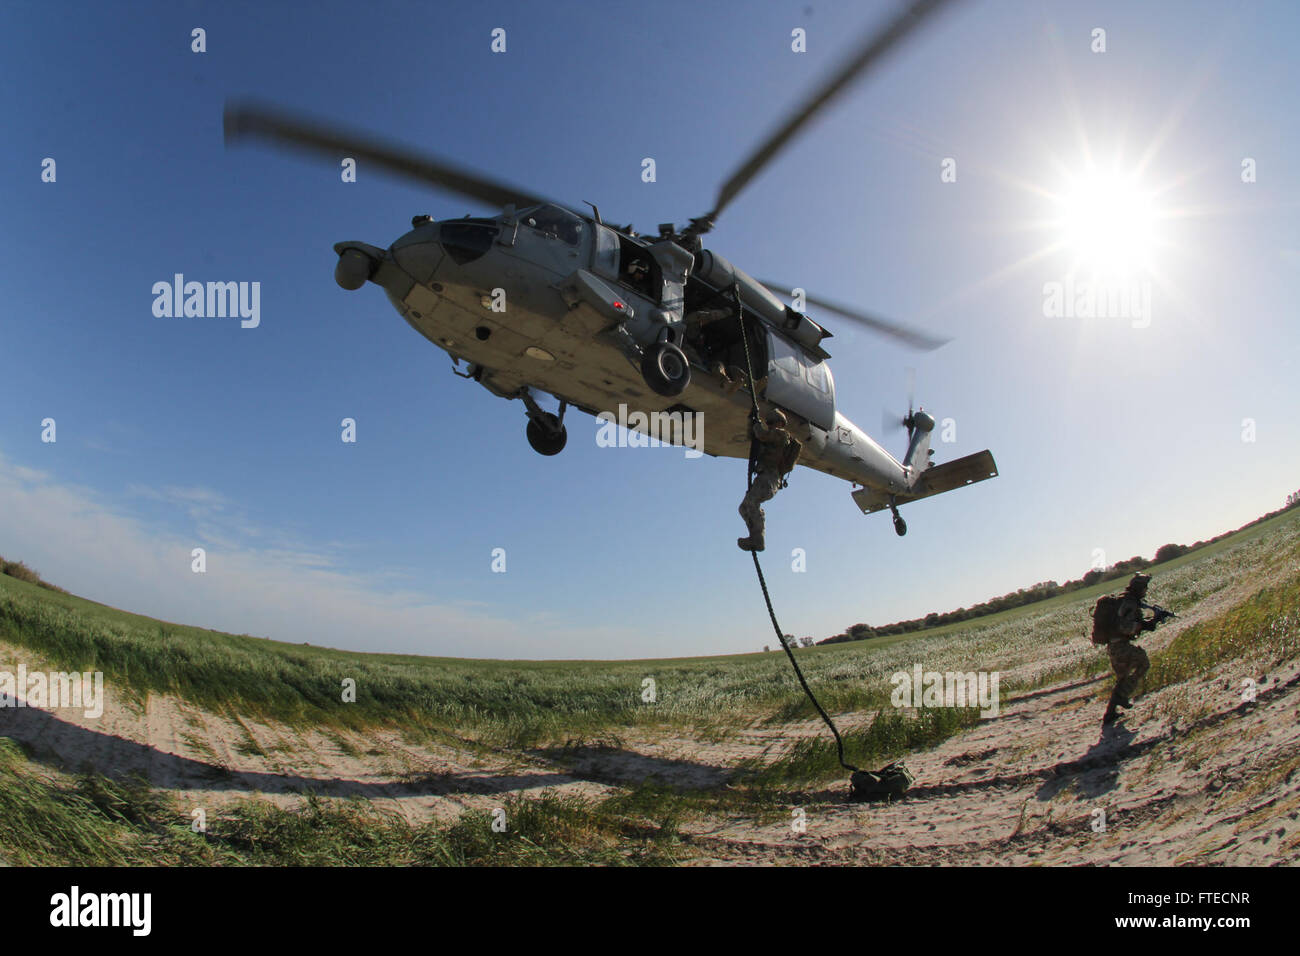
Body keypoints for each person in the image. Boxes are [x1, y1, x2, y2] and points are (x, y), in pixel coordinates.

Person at [738, 408, 801, 552]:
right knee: (743, 508)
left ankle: (758, 539)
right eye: (769, 422)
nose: (770, 425)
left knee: (751, 503)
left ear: (780, 423)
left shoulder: (781, 435)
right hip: (763, 478)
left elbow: (760, 434)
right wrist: (751, 421)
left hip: (769, 479)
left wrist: (757, 424)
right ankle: (754, 535)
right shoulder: (771, 438)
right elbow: (753, 437)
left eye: (772, 422)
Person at [1103, 573, 1156, 725]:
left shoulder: (1124, 600)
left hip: (1114, 646)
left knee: (1123, 677)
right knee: (1143, 663)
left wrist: (1145, 624)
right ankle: (1122, 696)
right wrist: (1144, 625)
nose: (1146, 590)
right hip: (1120, 646)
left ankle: (1110, 714)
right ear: (1139, 588)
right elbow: (1125, 627)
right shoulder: (1129, 603)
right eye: (1145, 587)